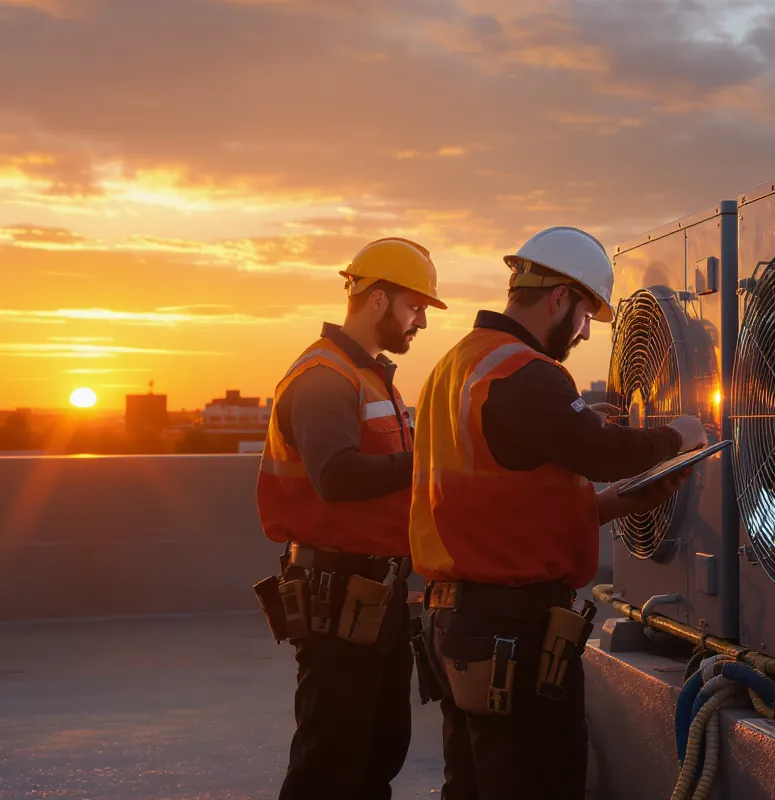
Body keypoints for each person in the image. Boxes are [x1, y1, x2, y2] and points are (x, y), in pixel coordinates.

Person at [410, 225, 708, 799]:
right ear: (559, 298)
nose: (584, 332)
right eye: (585, 316)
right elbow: (602, 452)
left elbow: (501, 509)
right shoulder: (523, 372)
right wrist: (679, 435)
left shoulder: (455, 366)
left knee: (471, 785)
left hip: (457, 624)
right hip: (511, 632)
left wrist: (617, 503)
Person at [254, 237, 448, 800]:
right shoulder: (323, 377)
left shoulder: (370, 377)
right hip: (337, 595)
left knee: (379, 751)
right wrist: (431, 457)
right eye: (415, 307)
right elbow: (337, 477)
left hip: (376, 592)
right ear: (378, 299)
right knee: (330, 762)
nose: (421, 322)